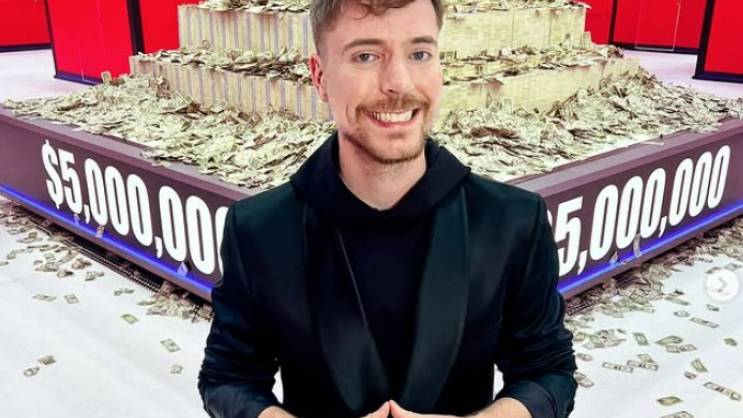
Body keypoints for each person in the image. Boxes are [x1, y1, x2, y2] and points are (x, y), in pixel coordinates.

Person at [197, 0, 577, 417]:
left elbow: (548, 371)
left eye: (419, 53)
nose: (399, 83)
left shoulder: (513, 221)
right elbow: (228, 378)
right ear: (320, 77)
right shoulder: (259, 229)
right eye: (366, 56)